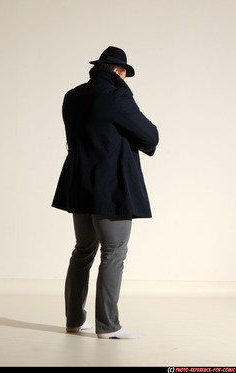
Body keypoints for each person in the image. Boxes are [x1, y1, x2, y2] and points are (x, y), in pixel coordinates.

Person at [52, 46, 159, 339]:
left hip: (78, 184)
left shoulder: (72, 96)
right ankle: (108, 326)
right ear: (117, 71)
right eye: (125, 73)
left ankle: (74, 320)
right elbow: (150, 135)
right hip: (110, 187)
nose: (126, 78)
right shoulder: (116, 95)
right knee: (114, 253)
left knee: (82, 251)